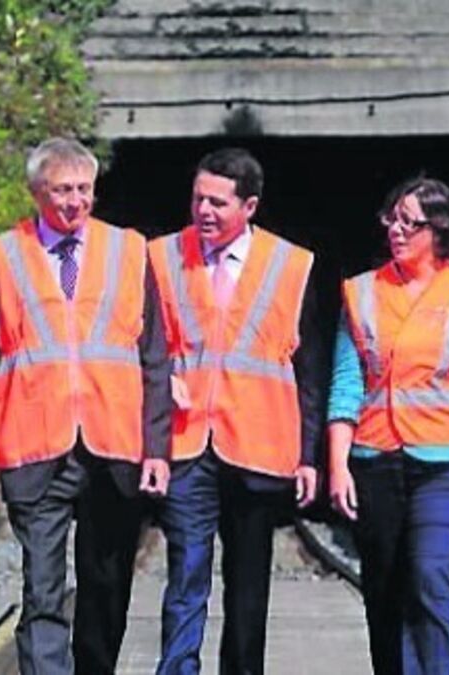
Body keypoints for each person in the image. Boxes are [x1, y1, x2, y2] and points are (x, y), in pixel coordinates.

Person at [0, 137, 172, 675]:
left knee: (106, 585)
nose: (75, 201)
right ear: (36, 192)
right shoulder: (0, 258)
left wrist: (157, 447)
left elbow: (155, 358)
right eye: (63, 191)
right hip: (35, 447)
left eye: (84, 190)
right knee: (42, 589)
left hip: (112, 448)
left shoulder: (129, 251)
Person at [327, 177, 449, 675]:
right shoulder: (361, 294)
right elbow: (346, 385)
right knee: (384, 588)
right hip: (374, 459)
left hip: (448, 464)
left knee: (429, 573)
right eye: (392, 219)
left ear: (440, 231)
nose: (396, 230)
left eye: (409, 223)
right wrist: (338, 465)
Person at [147, 147, 322, 675]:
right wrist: (159, 386)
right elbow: (136, 343)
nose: (204, 211)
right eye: (198, 198)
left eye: (218, 203)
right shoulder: (160, 257)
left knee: (248, 586)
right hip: (186, 443)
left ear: (249, 207)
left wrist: (308, 455)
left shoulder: (292, 266)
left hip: (257, 446)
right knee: (186, 570)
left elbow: (310, 371)